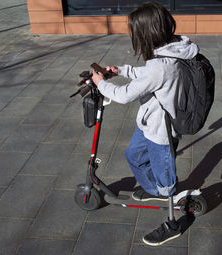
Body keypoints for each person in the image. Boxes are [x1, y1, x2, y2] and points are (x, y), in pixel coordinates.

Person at [91, 1, 199, 246]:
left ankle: (172, 220)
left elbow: (124, 95)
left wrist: (100, 83)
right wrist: (121, 69)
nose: (133, 37)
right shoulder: (170, 50)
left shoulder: (161, 66)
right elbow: (151, 74)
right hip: (149, 123)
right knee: (134, 156)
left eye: (135, 33)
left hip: (161, 132)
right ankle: (156, 191)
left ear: (146, 34)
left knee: (166, 177)